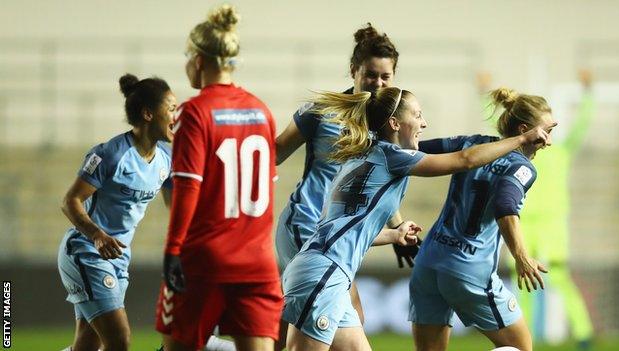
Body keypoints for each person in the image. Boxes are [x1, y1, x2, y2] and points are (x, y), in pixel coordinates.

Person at [282, 86, 554, 351]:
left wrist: (393, 234)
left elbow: (346, 227)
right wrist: (520, 140)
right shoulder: (394, 157)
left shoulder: (363, 154)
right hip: (325, 272)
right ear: (395, 124)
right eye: (417, 115)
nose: (424, 122)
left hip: (324, 269)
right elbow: (465, 160)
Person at [155, 4, 282, 351]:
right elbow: (267, 194)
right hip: (257, 262)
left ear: (198, 60)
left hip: (204, 260)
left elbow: (187, 185)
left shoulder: (193, 111)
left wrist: (173, 249)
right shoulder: (261, 110)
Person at [274, 23, 401, 349]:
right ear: (353, 71)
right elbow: (272, 154)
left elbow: (377, 185)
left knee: (320, 317)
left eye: (386, 77)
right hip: (307, 226)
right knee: (344, 315)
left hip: (334, 235)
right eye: (371, 74)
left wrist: (399, 230)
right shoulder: (322, 112)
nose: (378, 83)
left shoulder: (387, 126)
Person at [409, 87, 557, 351]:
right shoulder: (522, 167)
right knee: (521, 348)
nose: (549, 141)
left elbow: (415, 149)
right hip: (469, 269)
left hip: (428, 262)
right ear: (526, 130)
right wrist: (521, 256)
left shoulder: (472, 144)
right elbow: (504, 204)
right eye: (547, 131)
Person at [57, 73, 176, 351]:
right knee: (119, 341)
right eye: (171, 108)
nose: (176, 115)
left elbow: (177, 211)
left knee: (87, 344)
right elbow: (70, 201)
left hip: (118, 257)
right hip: (87, 251)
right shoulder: (110, 155)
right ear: (148, 114)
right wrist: (98, 236)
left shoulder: (166, 160)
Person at [514, 71, 595, 348]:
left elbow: (582, 125)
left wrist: (587, 94)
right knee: (524, 279)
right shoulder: (524, 149)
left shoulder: (561, 150)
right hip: (524, 220)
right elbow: (499, 126)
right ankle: (525, 337)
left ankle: (583, 334)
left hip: (552, 224)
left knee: (559, 278)